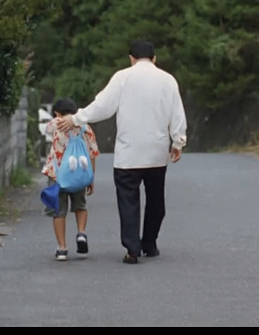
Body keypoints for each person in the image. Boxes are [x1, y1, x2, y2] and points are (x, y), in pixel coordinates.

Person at [57, 39, 187, 264]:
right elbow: (177, 113)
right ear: (154, 59)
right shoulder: (168, 80)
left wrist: (76, 119)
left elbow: (102, 106)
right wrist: (178, 141)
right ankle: (150, 243)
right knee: (156, 201)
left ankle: (132, 249)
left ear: (131, 58)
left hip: (128, 154)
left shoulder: (122, 77)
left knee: (128, 202)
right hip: (156, 153)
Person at [42, 98, 100, 261]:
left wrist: (57, 118)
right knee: (80, 205)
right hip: (79, 174)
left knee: (58, 211)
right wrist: (90, 177)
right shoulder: (85, 127)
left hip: (57, 175)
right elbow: (92, 153)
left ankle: (62, 248)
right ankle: (81, 233)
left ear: (57, 113)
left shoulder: (55, 124)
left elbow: (46, 129)